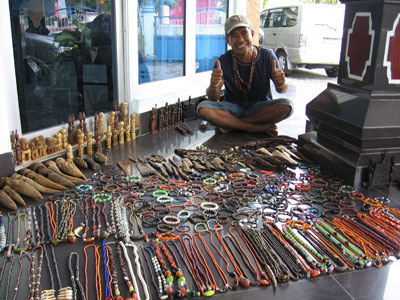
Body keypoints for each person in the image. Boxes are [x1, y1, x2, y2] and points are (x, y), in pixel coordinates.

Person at [197, 15, 293, 136]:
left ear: (252, 34)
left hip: (260, 109)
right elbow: (212, 97)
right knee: (203, 108)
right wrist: (213, 86)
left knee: (287, 106)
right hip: (232, 108)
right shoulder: (223, 61)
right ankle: (252, 127)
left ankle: (233, 125)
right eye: (234, 35)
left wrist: (282, 83)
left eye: (244, 33)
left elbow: (282, 90)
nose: (241, 39)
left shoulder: (267, 56)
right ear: (228, 41)